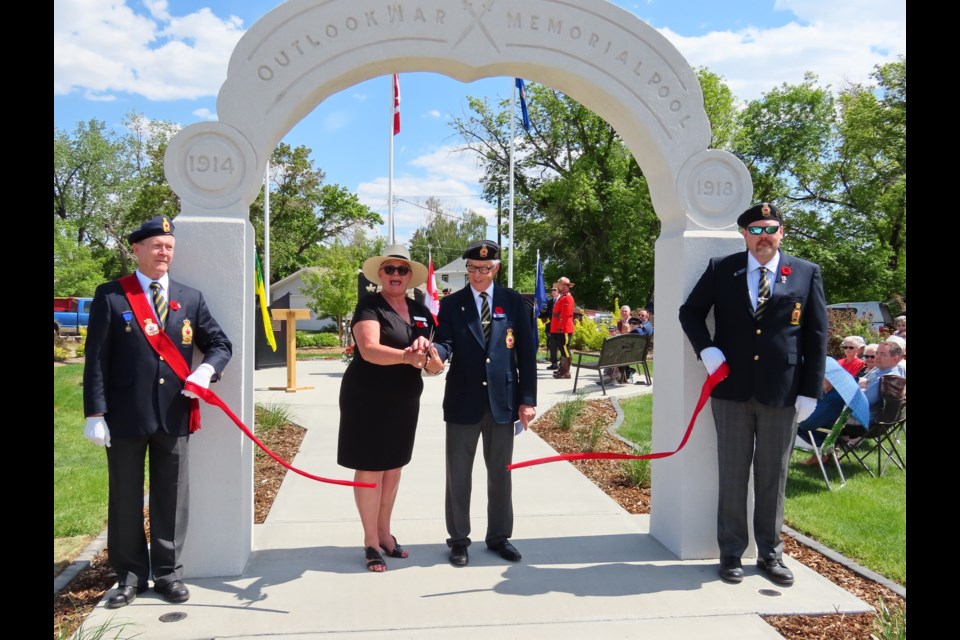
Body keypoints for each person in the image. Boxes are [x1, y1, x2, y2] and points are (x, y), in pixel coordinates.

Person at [83, 215, 233, 608]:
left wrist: (205, 369)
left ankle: (168, 573)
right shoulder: (112, 296)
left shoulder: (190, 297)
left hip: (174, 414)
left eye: (168, 246)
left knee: (171, 496)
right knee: (126, 496)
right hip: (125, 416)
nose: (164, 252)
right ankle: (130, 577)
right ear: (137, 249)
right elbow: (96, 358)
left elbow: (220, 344)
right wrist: (94, 413)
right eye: (156, 245)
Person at [679, 202, 827, 587]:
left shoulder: (806, 273)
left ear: (782, 233)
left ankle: (770, 554)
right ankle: (731, 552)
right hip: (731, 389)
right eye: (755, 229)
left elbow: (816, 335)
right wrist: (707, 349)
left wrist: (810, 390)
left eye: (770, 229)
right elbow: (689, 312)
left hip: (783, 391)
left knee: (773, 475)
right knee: (732, 472)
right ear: (743, 235)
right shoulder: (722, 269)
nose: (763, 236)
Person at [432, 240, 538, 567]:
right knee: (459, 475)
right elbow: (446, 343)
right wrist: (437, 355)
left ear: (496, 268)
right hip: (463, 400)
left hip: (503, 402)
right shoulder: (452, 306)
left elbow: (527, 356)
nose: (477, 275)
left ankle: (499, 537)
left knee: (500, 474)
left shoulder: (515, 304)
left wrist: (528, 400)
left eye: (484, 269)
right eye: (472, 269)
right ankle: (459, 540)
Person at [337, 245, 440, 572]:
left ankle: (385, 533)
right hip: (368, 397)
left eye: (402, 270)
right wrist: (405, 357)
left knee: (393, 467)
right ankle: (370, 541)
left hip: (404, 398)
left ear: (411, 277)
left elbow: (428, 355)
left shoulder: (420, 308)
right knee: (370, 467)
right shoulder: (369, 305)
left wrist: (434, 363)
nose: (396, 275)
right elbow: (368, 350)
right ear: (379, 275)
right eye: (390, 270)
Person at [550, 276, 576, 379]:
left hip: (564, 328)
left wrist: (560, 328)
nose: (558, 286)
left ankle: (566, 371)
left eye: (560, 284)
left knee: (565, 349)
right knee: (562, 349)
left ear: (565, 286)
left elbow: (565, 315)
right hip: (559, 328)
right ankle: (562, 368)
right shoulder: (562, 296)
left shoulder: (567, 298)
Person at [539, 286, 559, 370]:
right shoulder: (550, 301)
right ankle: (554, 363)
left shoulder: (561, 300)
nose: (553, 291)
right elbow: (546, 313)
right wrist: (537, 314)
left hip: (560, 327)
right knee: (552, 345)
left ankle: (563, 364)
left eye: (555, 290)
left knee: (561, 346)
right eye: (552, 290)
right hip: (551, 326)